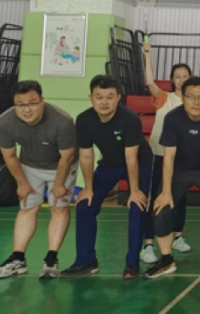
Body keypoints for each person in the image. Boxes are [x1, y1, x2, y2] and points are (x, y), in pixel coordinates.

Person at [61, 76, 151, 279]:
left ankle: (132, 264)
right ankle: (86, 261)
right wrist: (88, 188)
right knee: (85, 205)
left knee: (137, 207)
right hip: (109, 165)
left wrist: (134, 191)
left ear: (118, 98)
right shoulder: (84, 120)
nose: (104, 102)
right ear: (91, 98)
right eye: (99, 97)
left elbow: (131, 157)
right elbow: (86, 155)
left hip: (140, 163)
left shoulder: (129, 119)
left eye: (110, 97)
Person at [146, 77, 200, 279]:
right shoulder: (172, 118)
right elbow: (168, 157)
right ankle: (166, 260)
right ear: (183, 98)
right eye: (191, 97)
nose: (196, 102)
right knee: (161, 209)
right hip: (179, 169)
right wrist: (166, 192)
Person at [0, 81, 76, 280]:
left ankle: (51, 260)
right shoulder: (5, 121)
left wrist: (59, 185)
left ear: (41, 101)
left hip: (61, 166)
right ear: (14, 105)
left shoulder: (62, 121)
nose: (27, 109)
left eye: (32, 103)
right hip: (29, 165)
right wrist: (22, 184)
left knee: (59, 207)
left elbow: (67, 157)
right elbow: (9, 155)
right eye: (20, 105)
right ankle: (17, 259)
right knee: (27, 207)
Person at [140, 42, 192, 262]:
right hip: (159, 155)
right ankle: (148, 244)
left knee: (179, 199)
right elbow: (149, 82)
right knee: (154, 198)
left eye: (185, 76)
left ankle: (178, 236)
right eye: (177, 76)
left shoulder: (193, 102)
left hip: (181, 158)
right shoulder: (163, 97)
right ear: (172, 79)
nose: (181, 79)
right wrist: (147, 55)